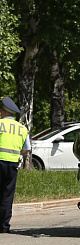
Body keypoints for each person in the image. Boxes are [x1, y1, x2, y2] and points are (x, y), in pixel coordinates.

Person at [0, 97, 30, 233]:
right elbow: (26, 149)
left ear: (5, 112)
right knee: (7, 195)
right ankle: (4, 226)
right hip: (12, 164)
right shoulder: (22, 128)